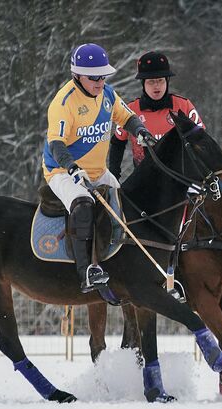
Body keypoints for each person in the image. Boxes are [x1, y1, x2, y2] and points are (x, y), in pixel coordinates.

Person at [108, 51, 222, 299]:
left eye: (160, 81)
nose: (156, 86)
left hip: (183, 182)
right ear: (143, 84)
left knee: (213, 214)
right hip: (146, 186)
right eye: (151, 82)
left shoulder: (183, 107)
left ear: (167, 82)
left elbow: (203, 143)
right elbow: (117, 145)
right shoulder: (131, 111)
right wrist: (113, 177)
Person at [43, 43, 157, 294]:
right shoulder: (63, 103)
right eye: (93, 77)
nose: (99, 81)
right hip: (62, 171)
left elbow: (126, 117)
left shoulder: (107, 94)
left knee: (127, 203)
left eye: (103, 75)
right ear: (77, 76)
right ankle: (86, 272)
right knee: (84, 204)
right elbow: (56, 144)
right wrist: (71, 167)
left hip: (97, 169)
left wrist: (141, 132)